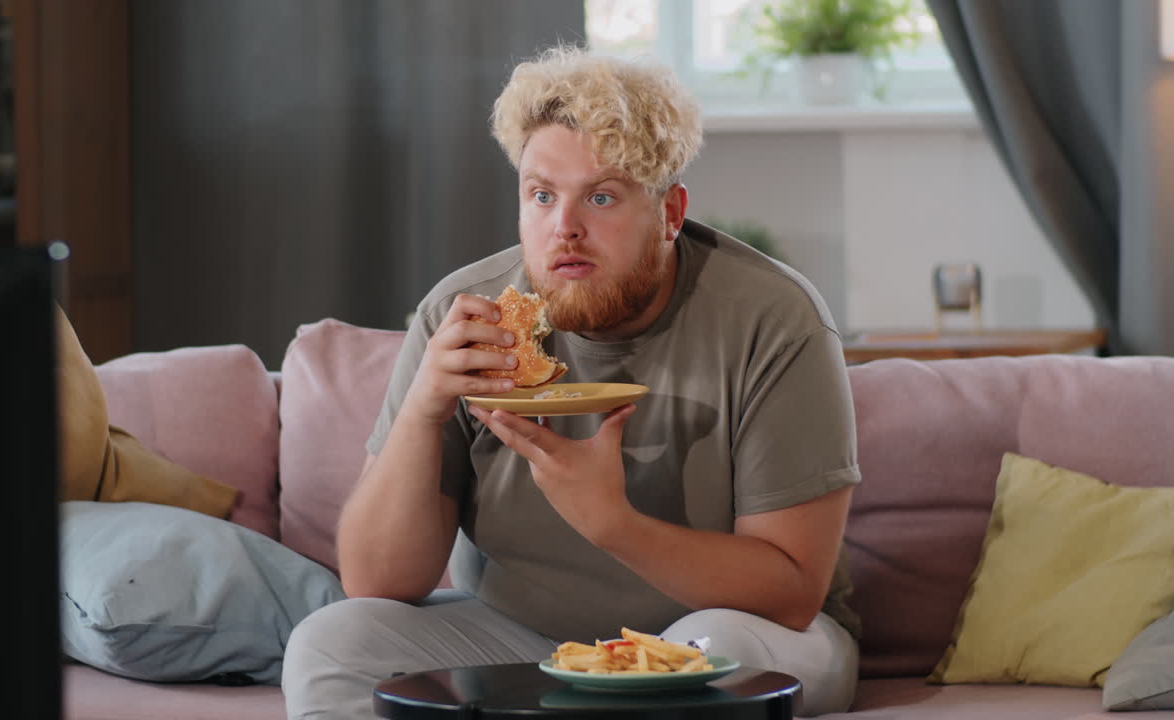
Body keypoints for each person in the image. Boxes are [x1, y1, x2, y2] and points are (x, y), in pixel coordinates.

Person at [282, 45, 861, 719]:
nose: (565, 229)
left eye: (602, 196)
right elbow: (378, 581)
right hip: (518, 639)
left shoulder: (774, 319)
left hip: (739, 635)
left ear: (670, 214)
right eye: (542, 195)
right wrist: (422, 411)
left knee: (710, 650)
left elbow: (791, 592)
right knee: (329, 642)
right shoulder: (464, 317)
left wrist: (611, 522)